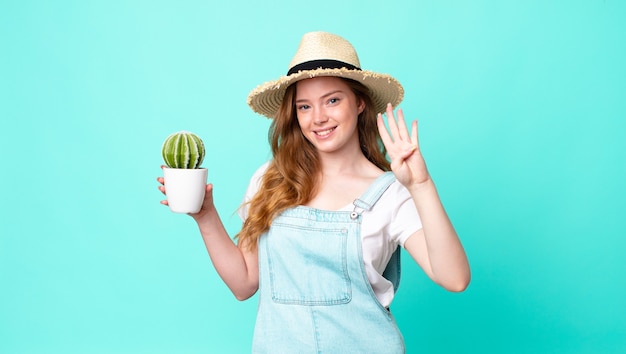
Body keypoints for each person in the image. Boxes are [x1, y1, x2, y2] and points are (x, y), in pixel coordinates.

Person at [158, 31, 470, 353]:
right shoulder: (270, 180)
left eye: (332, 100)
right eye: (304, 106)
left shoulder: (391, 193)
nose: (318, 118)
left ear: (359, 102)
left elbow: (455, 278)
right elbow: (244, 283)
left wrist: (420, 185)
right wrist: (205, 215)